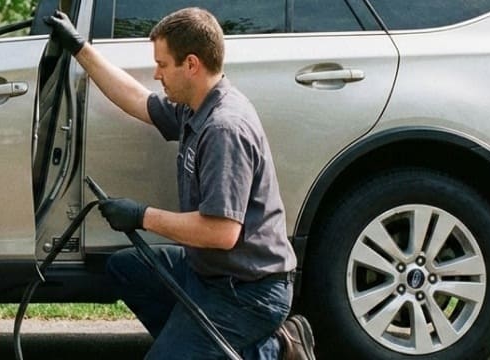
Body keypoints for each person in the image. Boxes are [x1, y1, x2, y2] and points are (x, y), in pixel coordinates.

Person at [45, 8, 315, 359]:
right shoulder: (195, 105)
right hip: (208, 275)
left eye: (162, 64)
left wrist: (141, 216)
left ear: (191, 65)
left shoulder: (223, 129)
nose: (156, 74)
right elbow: (136, 99)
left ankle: (274, 349)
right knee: (126, 269)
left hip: (248, 292)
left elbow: (221, 232)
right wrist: (80, 47)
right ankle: (201, 345)